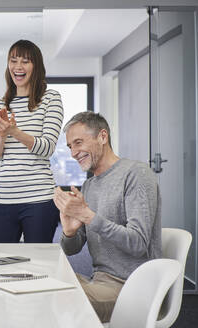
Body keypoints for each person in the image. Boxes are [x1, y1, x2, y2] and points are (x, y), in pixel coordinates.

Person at [53, 111, 161, 323]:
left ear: (102, 137)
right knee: (42, 287)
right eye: (70, 147)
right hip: (99, 282)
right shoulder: (89, 185)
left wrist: (89, 216)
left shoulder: (136, 174)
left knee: (58, 299)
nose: (74, 152)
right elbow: (72, 249)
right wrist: (69, 230)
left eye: (78, 143)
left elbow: (138, 243)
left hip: (133, 287)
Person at [0, 39, 63, 243]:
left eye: (25, 61)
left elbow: (47, 148)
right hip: (5, 197)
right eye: (13, 60)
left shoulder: (50, 98)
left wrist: (15, 131)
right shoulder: (0, 104)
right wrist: (2, 135)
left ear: (36, 66)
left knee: (38, 265)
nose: (18, 67)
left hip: (39, 199)